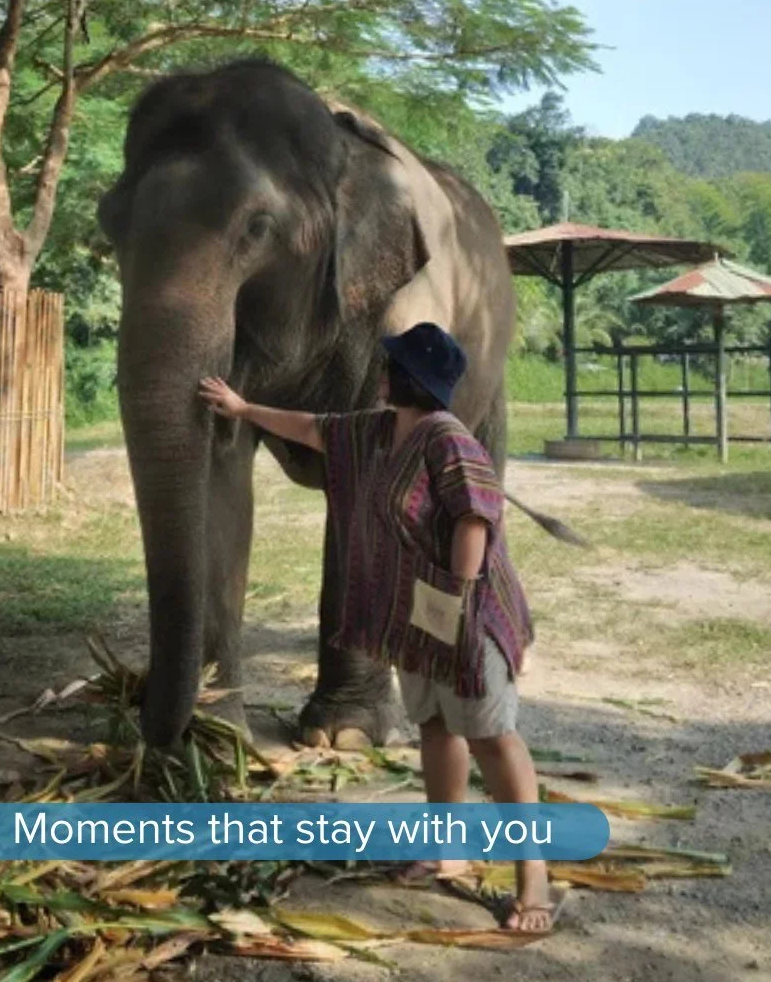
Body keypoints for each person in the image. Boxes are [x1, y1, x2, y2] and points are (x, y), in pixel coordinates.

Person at [198, 322, 561, 933]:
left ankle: (535, 883)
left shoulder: (447, 439)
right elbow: (313, 429)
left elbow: (474, 518)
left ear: (409, 377)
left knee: (492, 738)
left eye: (391, 366)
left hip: (467, 615)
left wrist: (456, 606)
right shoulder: (376, 430)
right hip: (420, 615)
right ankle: (447, 849)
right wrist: (243, 408)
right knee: (436, 727)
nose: (381, 372)